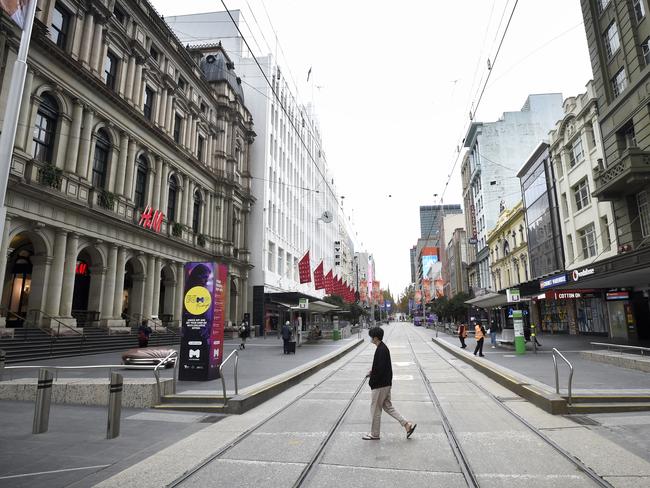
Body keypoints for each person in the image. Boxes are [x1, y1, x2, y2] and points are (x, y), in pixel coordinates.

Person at [363, 327, 416, 441]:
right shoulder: (382, 348)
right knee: (388, 407)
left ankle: (374, 434)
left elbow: (381, 370)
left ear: (375, 338)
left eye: (371, 337)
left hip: (380, 385)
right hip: (385, 384)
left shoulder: (381, 349)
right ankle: (407, 425)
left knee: (375, 410)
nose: (370, 339)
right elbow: (381, 367)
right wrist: (372, 371)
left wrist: (372, 379)